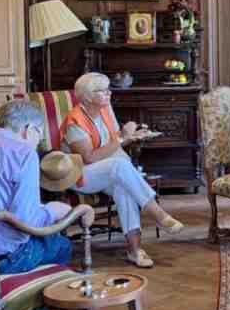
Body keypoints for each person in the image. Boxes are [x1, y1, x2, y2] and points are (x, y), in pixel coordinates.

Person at [0, 99, 78, 310]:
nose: (37, 143)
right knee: (60, 246)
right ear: (30, 129)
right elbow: (27, 223)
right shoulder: (22, 152)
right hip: (3, 260)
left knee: (47, 242)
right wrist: (53, 211)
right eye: (39, 137)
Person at [58, 72, 184, 269]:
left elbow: (114, 140)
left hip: (108, 171)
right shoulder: (75, 121)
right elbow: (89, 157)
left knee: (124, 189)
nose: (109, 93)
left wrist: (131, 136)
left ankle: (134, 250)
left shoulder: (105, 110)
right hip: (79, 174)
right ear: (88, 96)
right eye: (102, 91)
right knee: (121, 166)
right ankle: (158, 214)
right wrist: (123, 138)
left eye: (108, 89)